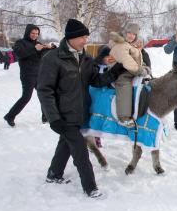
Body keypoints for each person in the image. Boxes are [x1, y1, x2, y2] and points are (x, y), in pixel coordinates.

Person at [37, 19, 126, 199]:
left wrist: (115, 71)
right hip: (62, 114)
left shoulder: (85, 58)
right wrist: (53, 117)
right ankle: (90, 187)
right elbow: (44, 90)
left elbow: (96, 81)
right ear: (71, 37)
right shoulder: (53, 58)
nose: (86, 40)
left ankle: (54, 174)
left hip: (80, 112)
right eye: (83, 37)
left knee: (65, 144)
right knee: (80, 152)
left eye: (86, 36)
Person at [4, 24, 53, 127]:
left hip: (38, 74)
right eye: (33, 33)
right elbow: (20, 53)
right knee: (26, 97)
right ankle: (10, 116)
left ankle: (45, 117)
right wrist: (35, 49)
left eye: (37, 33)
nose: (35, 35)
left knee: (44, 95)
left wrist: (50, 48)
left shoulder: (38, 43)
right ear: (28, 32)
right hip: (27, 75)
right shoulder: (20, 43)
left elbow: (44, 54)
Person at [108, 31, 150, 127]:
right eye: (129, 33)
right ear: (124, 33)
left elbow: (137, 61)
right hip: (119, 73)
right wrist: (140, 70)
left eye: (134, 34)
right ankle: (124, 117)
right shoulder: (120, 45)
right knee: (124, 83)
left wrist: (145, 67)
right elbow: (128, 62)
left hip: (130, 72)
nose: (131, 36)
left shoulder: (130, 46)